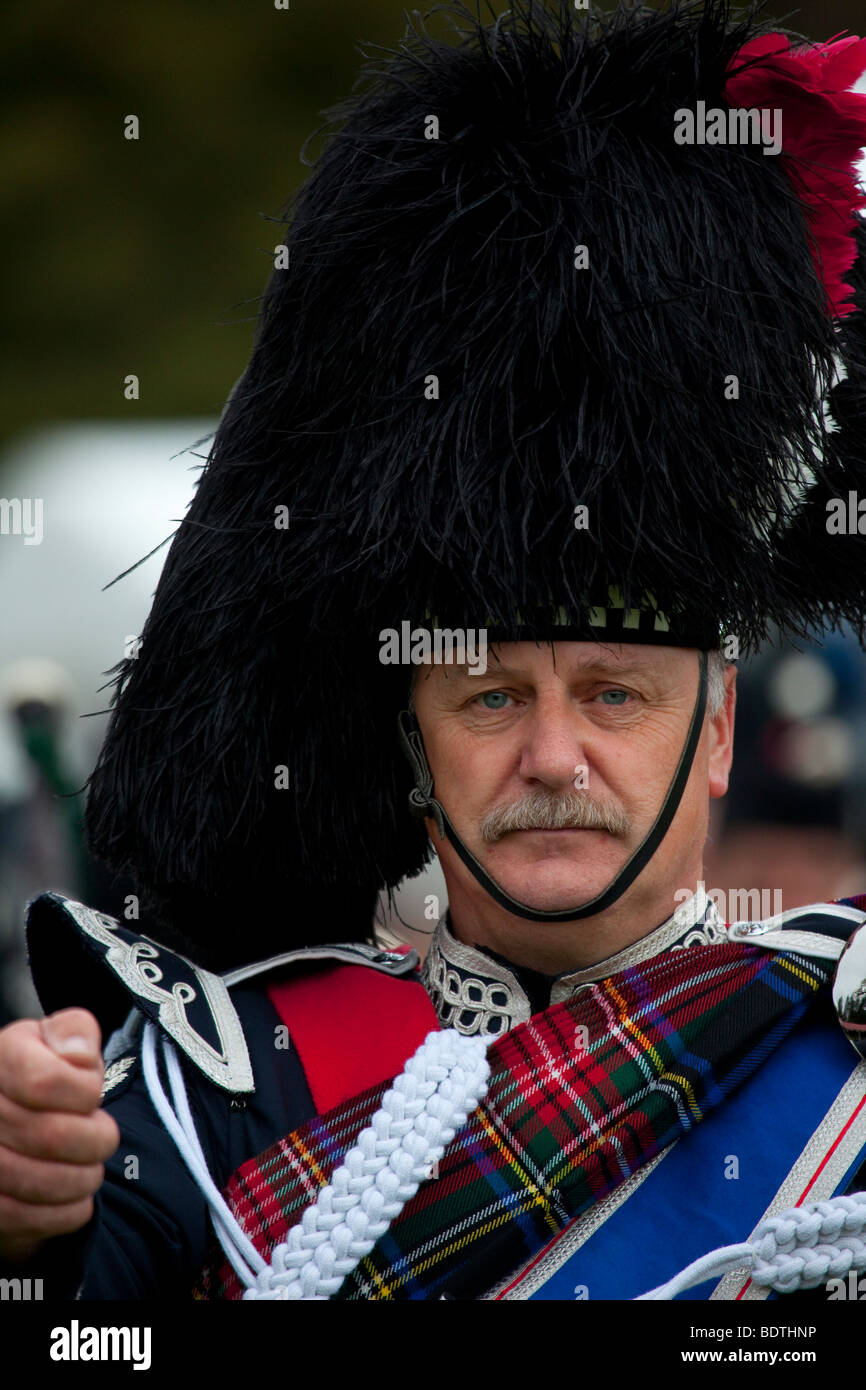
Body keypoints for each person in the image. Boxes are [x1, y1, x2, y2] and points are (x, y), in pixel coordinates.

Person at [2, 0, 866, 1301]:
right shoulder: (230, 1073)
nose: (550, 752)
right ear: (410, 736)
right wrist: (28, 1221)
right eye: (488, 694)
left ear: (719, 734)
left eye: (615, 693)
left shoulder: (838, 1058)